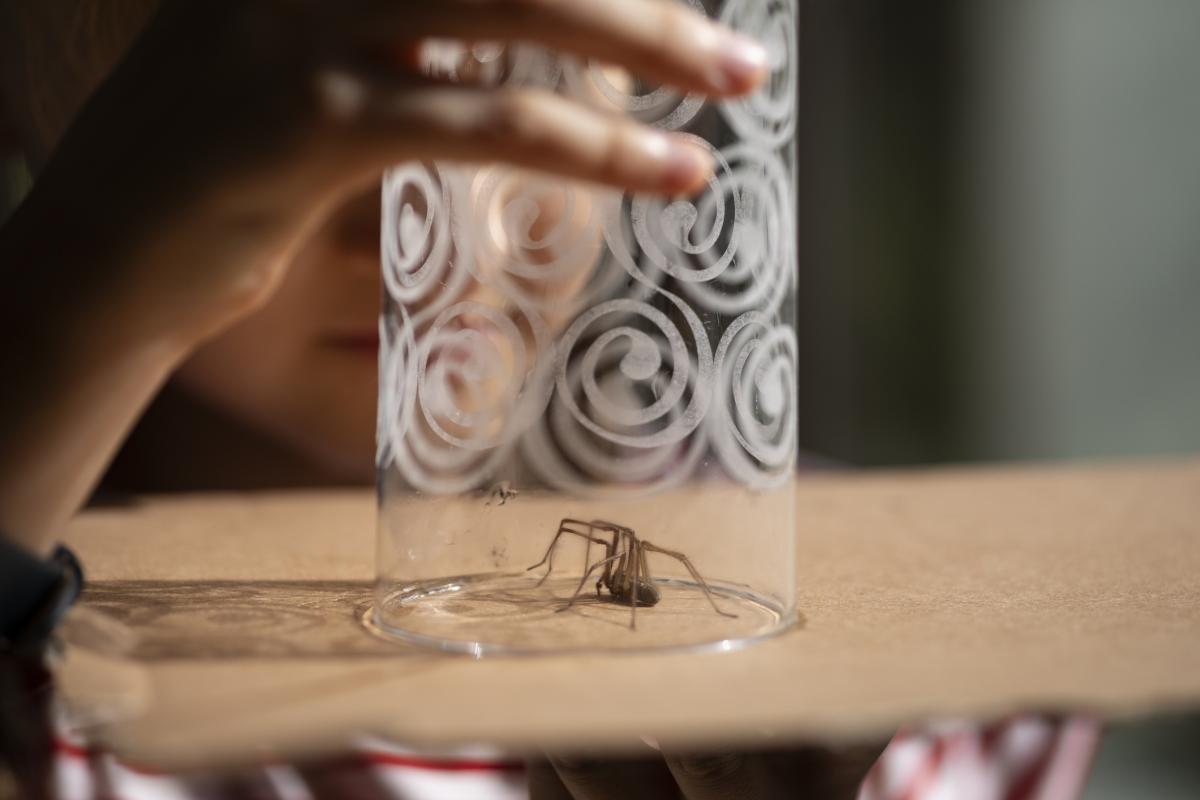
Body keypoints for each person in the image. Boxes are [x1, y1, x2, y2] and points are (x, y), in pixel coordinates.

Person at [0, 0, 884, 797]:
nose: (412, 223)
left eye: (524, 86)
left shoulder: (866, 643)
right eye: (285, 105)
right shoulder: (45, 686)